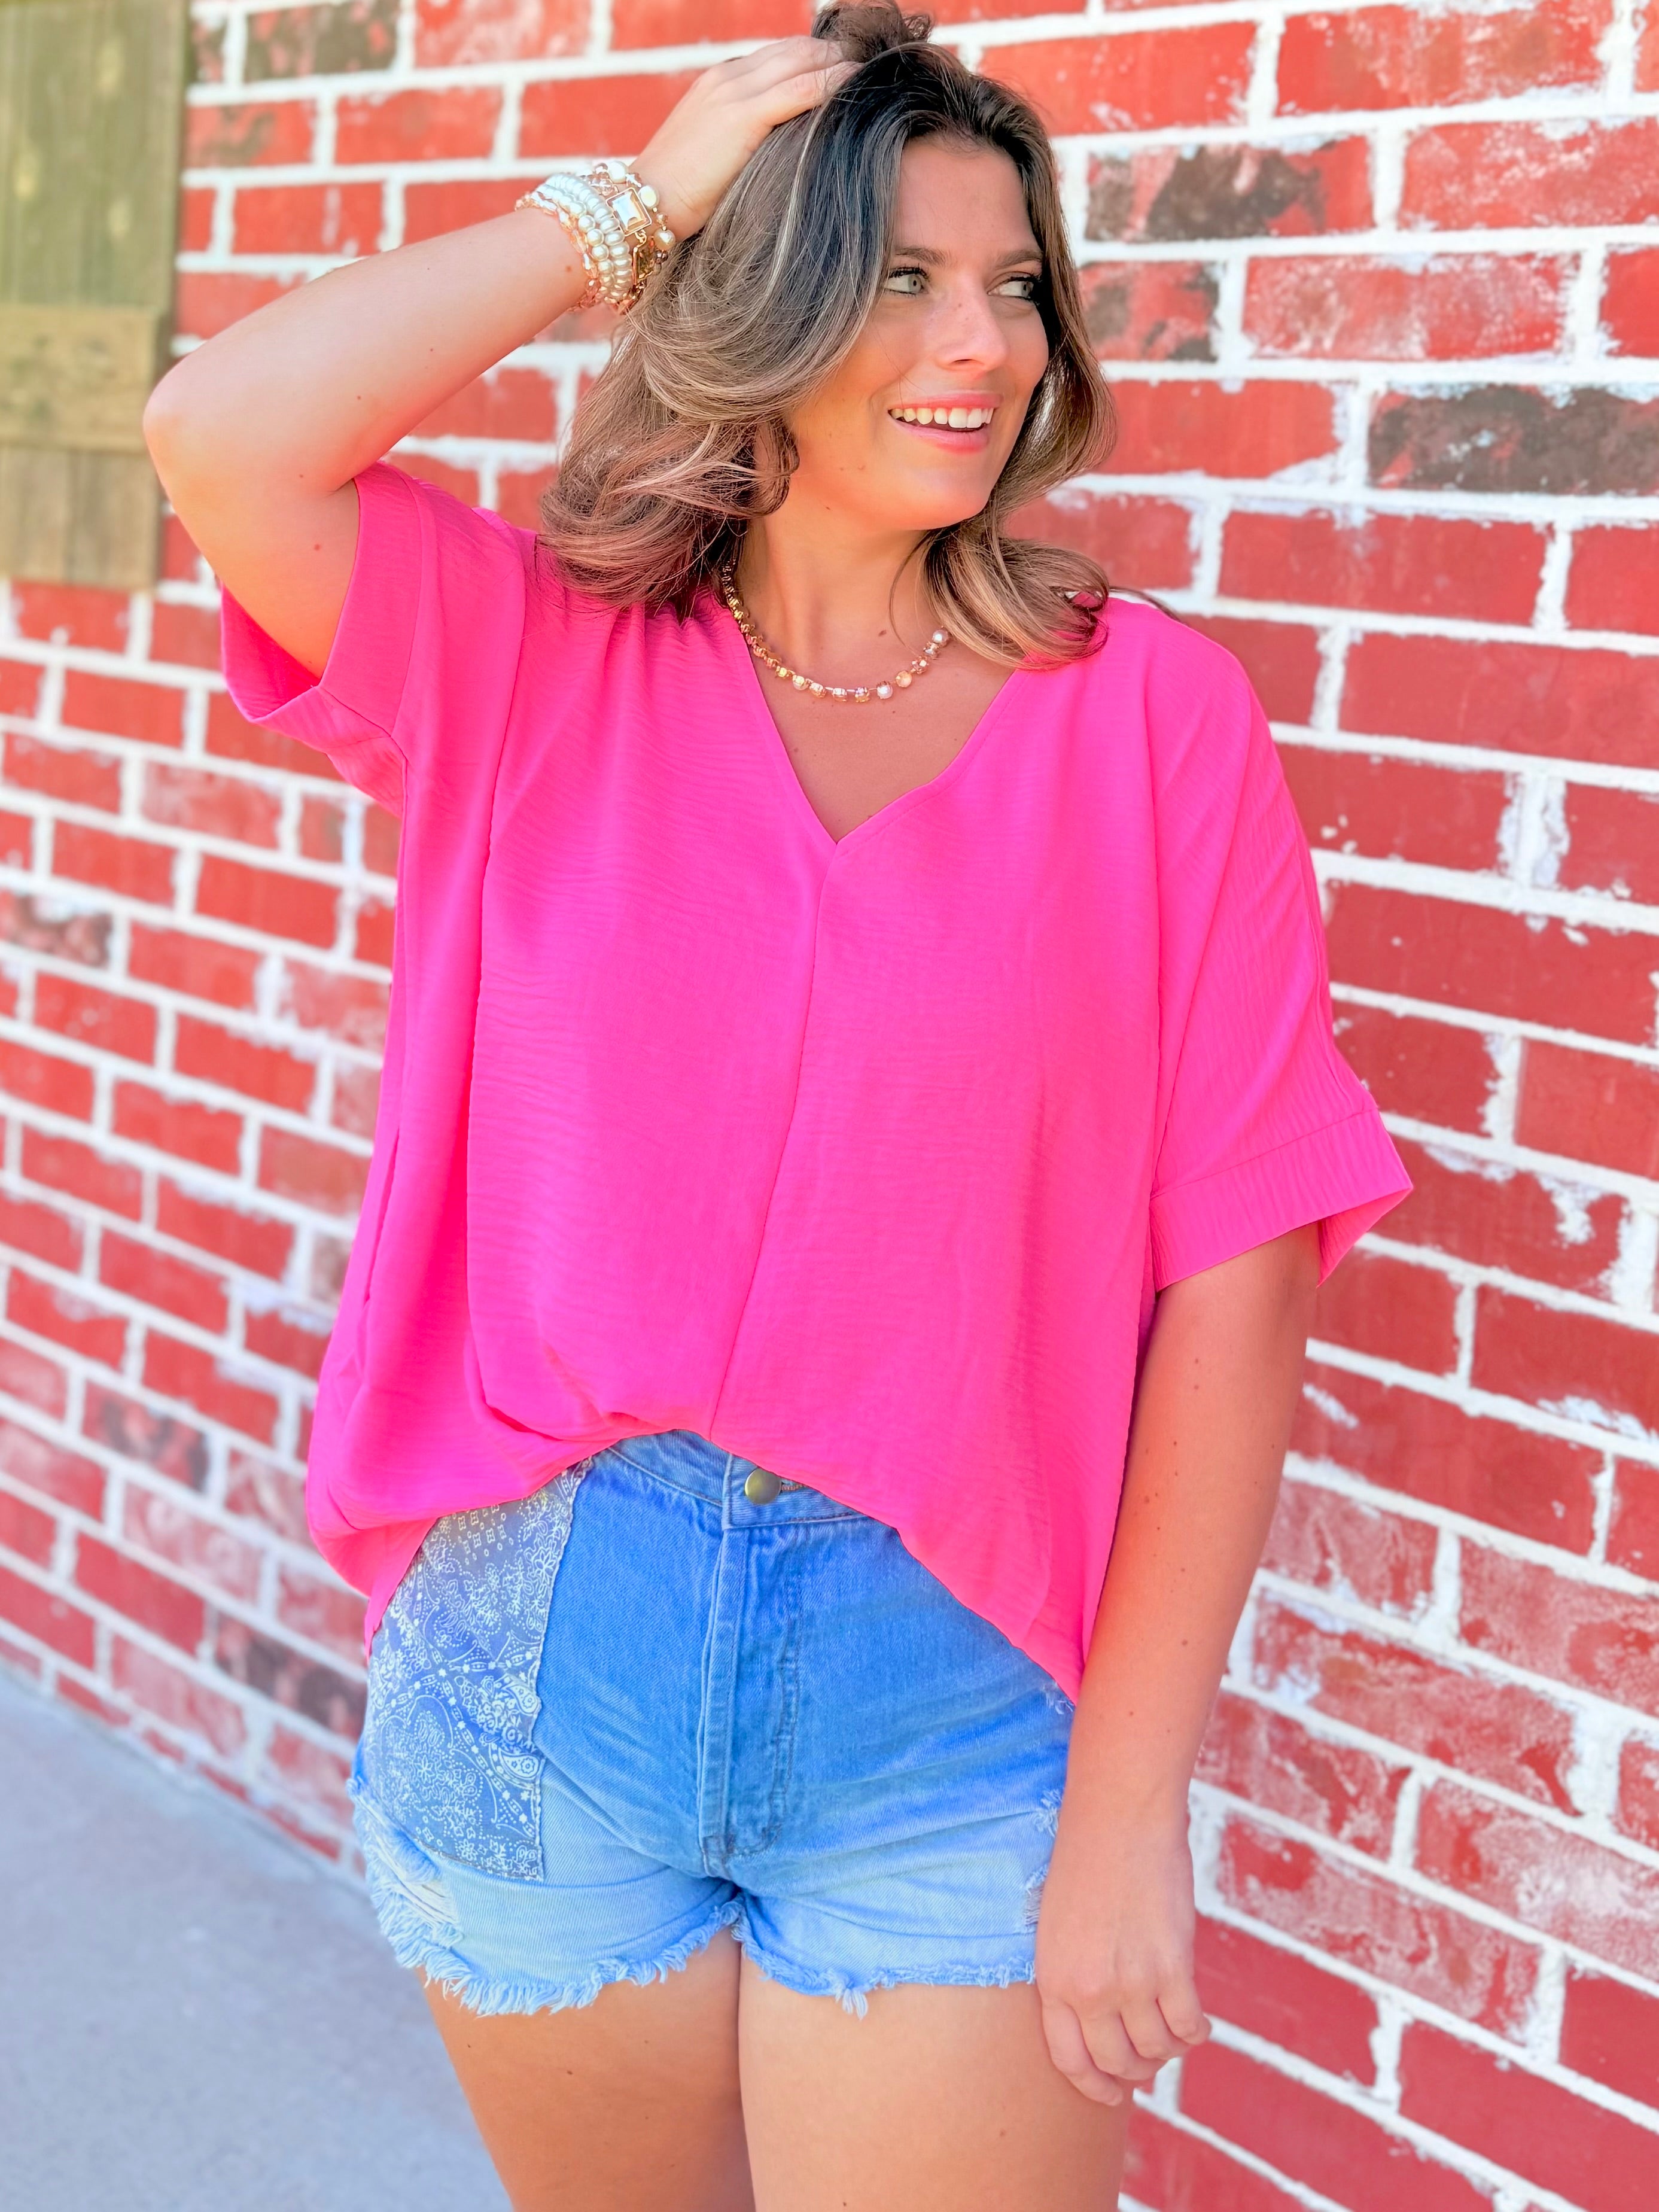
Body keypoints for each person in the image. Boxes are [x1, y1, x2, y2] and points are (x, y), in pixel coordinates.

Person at [145, 8, 1410, 2207]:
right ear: (764, 307)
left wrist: (1129, 1805)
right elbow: (221, 430)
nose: (982, 343)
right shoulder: (535, 659)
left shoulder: (1155, 722)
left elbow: (1240, 1268)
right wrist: (627, 203)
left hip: (955, 1685)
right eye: (901, 277)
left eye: (1014, 284)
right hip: (549, 1644)